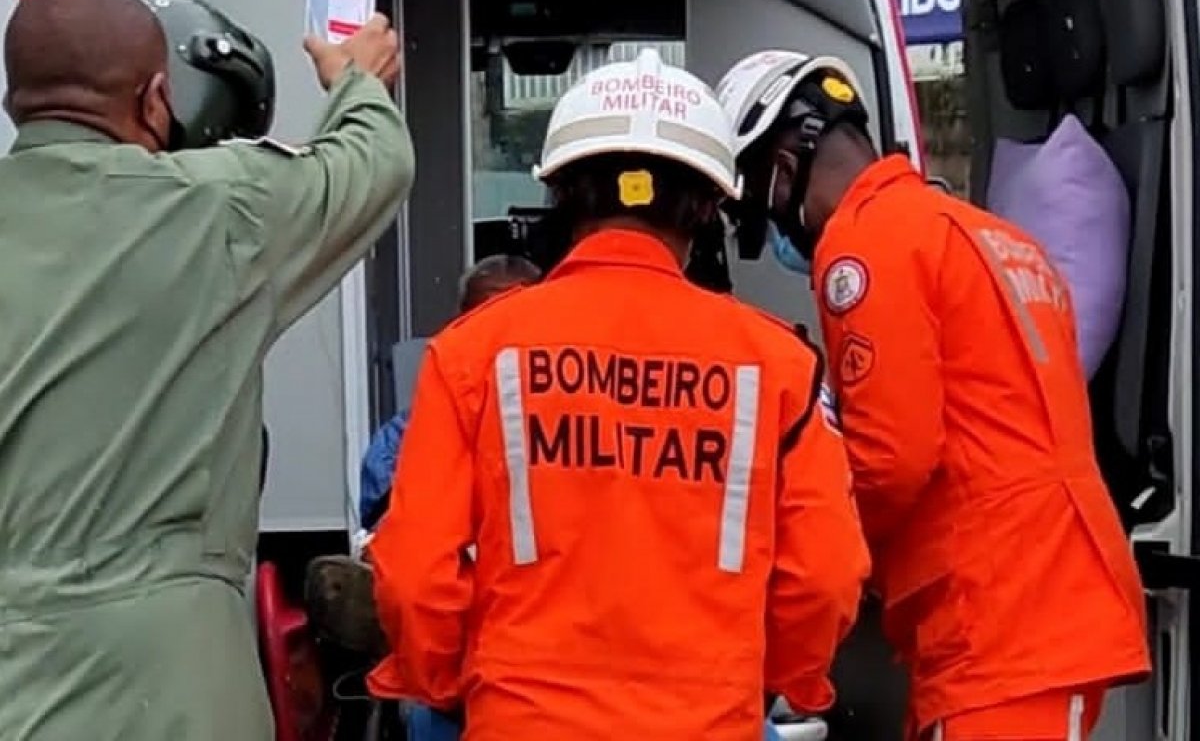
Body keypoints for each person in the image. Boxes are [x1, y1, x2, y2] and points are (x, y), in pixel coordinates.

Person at [363, 47, 869, 740]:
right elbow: (825, 576)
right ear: (707, 206)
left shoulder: (473, 353)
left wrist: (463, 684)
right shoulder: (776, 365)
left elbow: (414, 575)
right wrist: (747, 679)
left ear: (562, 194)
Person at [0, 0, 412, 740]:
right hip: (169, 677)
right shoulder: (218, 209)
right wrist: (356, 80)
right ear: (157, 99)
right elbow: (372, 161)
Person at [716, 49, 1150, 741]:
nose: (769, 228)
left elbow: (891, 460)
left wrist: (801, 544)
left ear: (783, 165)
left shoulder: (863, 247)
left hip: (1000, 620)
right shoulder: (986, 235)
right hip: (1036, 607)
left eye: (755, 201)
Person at [358, 255, 543, 533]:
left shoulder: (584, 426)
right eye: (484, 321)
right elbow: (386, 534)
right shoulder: (400, 442)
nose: (499, 337)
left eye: (516, 320)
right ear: (458, 326)